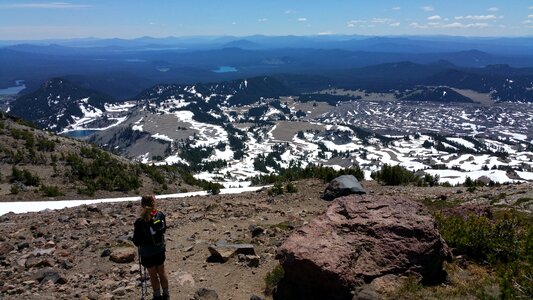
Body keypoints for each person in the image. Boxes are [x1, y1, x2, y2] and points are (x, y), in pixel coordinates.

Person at [133, 195, 169, 300]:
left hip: (147, 253)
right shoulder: (160, 215)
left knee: (153, 275)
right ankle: (166, 294)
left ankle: (157, 296)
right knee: (162, 272)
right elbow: (163, 230)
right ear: (153, 203)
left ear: (142, 204)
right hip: (159, 249)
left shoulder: (139, 221)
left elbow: (136, 241)